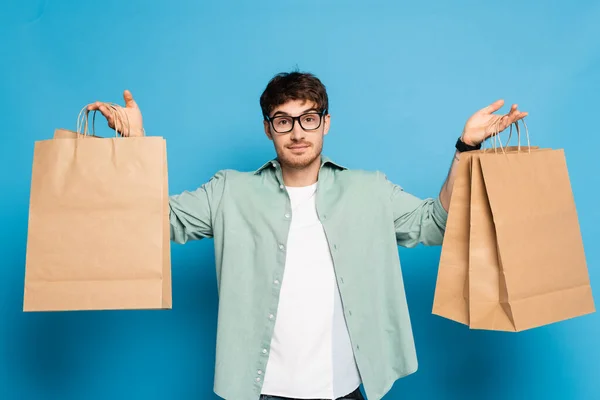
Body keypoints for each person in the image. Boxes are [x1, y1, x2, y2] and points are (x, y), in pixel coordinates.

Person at [88, 72, 527, 400]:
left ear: (326, 123)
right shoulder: (229, 191)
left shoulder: (369, 189)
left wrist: (466, 149)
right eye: (283, 120)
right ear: (268, 128)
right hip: (260, 390)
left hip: (350, 389)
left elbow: (436, 223)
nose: (297, 132)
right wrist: (135, 146)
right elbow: (153, 220)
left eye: (308, 118)